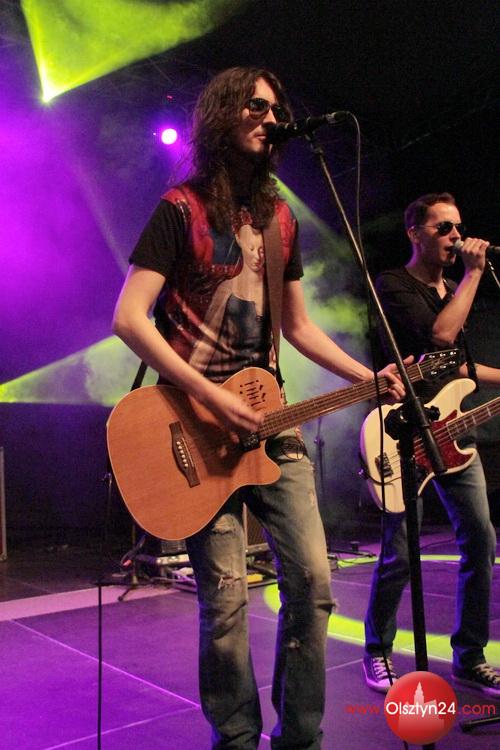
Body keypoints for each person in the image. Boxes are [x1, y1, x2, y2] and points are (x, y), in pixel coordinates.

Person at [112, 66, 405, 750]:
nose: (270, 118)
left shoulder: (280, 219)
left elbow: (297, 326)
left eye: (276, 109)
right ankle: (237, 740)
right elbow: (128, 317)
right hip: (192, 428)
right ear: (222, 114)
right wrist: (212, 396)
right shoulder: (179, 208)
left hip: (270, 425)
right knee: (224, 605)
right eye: (255, 105)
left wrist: (369, 376)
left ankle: (299, 737)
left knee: (314, 583)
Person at [363, 192, 500, 698]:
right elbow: (441, 337)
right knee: (400, 553)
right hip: (404, 433)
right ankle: (377, 650)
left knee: (481, 541)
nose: (456, 237)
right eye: (443, 228)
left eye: (458, 227)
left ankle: (470, 656)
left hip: (454, 431)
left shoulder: (450, 292)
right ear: (414, 233)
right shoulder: (394, 285)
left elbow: (459, 365)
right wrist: (474, 274)